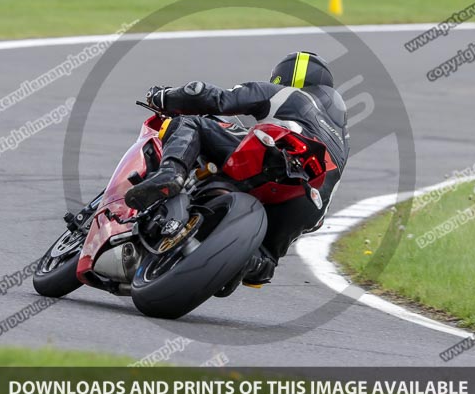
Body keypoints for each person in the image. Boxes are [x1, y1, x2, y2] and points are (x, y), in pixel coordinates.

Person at [125, 51, 349, 295]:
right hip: (308, 204)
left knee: (192, 123)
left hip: (275, 157)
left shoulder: (287, 93)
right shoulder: (343, 142)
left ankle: (171, 174)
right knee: (265, 260)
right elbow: (316, 224)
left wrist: (163, 96)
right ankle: (251, 264)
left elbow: (209, 96)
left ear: (282, 77)